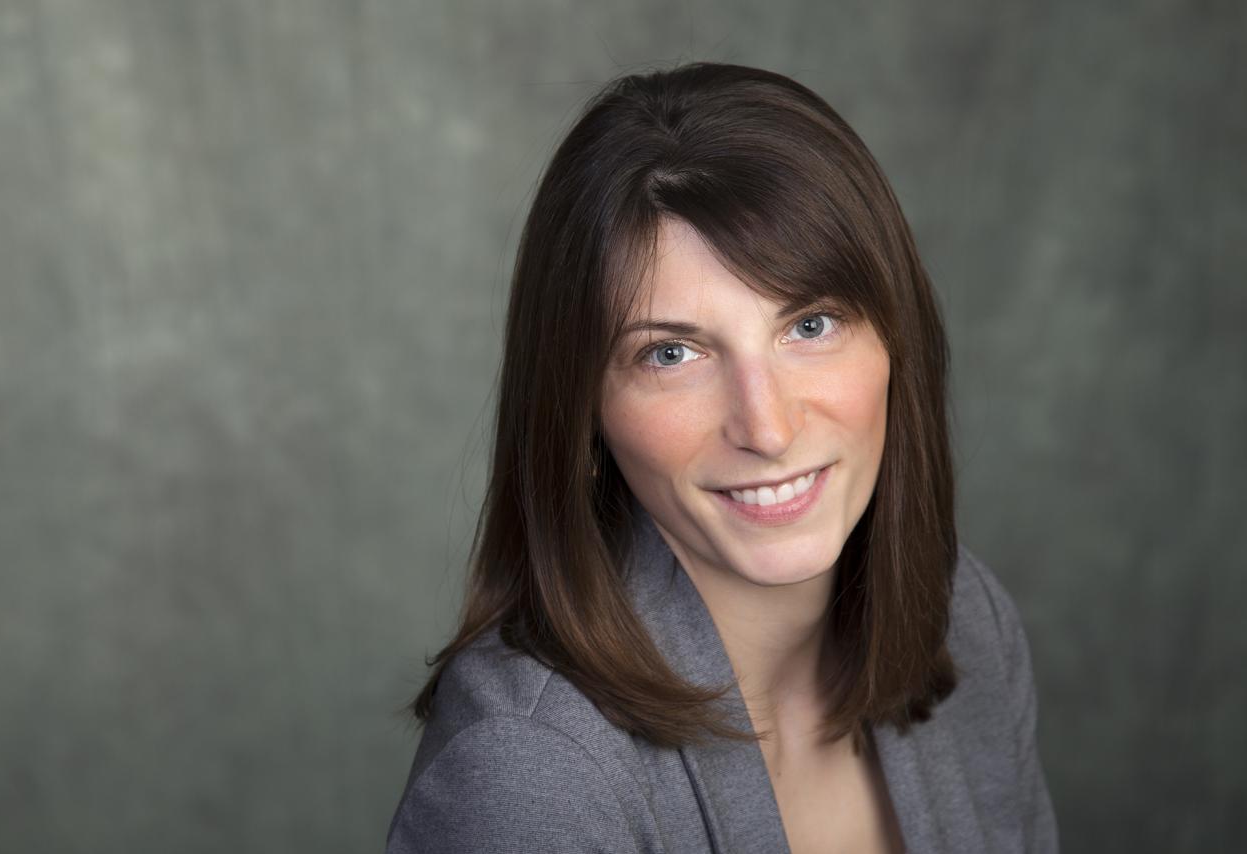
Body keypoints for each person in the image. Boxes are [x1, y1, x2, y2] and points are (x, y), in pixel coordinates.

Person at [385, 61, 1058, 853]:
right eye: (671, 353)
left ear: (896, 346)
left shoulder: (967, 625)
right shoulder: (528, 776)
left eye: (810, 326)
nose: (766, 427)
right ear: (582, 415)